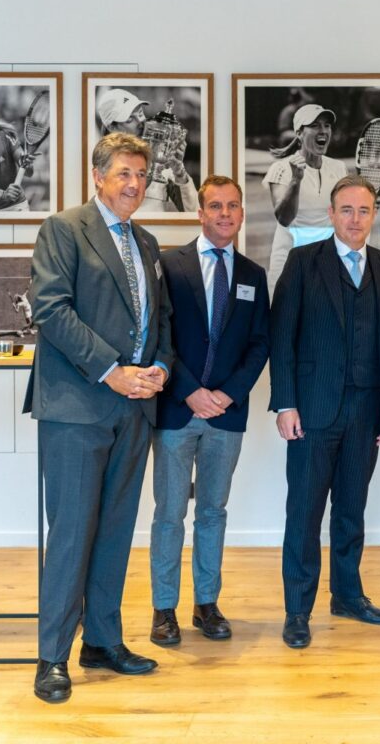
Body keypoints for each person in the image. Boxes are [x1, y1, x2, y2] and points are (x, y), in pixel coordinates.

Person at [24, 132, 174, 703]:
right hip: (78, 407)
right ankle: (52, 657)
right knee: (71, 534)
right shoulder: (65, 229)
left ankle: (103, 642)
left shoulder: (147, 242)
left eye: (141, 174)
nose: (135, 183)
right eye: (124, 173)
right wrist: (111, 370)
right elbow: (51, 310)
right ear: (98, 176)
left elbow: (159, 320)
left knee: (114, 530)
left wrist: (159, 367)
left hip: (135, 408)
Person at [269, 175, 380, 649]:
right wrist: (285, 402)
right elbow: (281, 337)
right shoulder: (303, 262)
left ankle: (347, 596)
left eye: (363, 210)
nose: (355, 219)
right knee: (304, 512)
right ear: (331, 214)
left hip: (367, 412)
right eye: (346, 210)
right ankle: (297, 609)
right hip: (312, 411)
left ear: (374, 215)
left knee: (351, 509)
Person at [148, 175, 270, 647]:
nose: (225, 214)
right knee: (169, 513)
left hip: (226, 414)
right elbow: (158, 335)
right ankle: (164, 609)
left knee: (214, 511)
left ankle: (206, 604)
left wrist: (227, 394)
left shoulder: (253, 275)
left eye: (233, 206)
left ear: (241, 213)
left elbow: (259, 344)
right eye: (216, 206)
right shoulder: (169, 265)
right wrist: (190, 391)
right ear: (199, 213)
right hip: (177, 410)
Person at [262, 103, 350, 292]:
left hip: (326, 264)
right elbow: (284, 218)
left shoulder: (339, 168)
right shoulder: (280, 168)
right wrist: (296, 180)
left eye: (327, 125)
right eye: (315, 125)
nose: (323, 131)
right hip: (288, 264)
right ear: (299, 133)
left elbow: (344, 215)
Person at [96, 88, 199, 215]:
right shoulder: (100, 169)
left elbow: (193, 213)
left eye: (140, 113)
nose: (141, 122)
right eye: (130, 119)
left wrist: (179, 172)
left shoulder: (163, 164)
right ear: (112, 127)